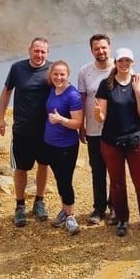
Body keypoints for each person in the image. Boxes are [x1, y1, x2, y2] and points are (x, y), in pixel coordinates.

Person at [93, 48, 140, 237]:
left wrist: (137, 91)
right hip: (111, 141)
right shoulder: (106, 85)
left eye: (128, 61)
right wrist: (97, 114)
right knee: (117, 183)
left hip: (135, 140)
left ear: (132, 62)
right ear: (116, 62)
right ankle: (122, 219)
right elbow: (101, 116)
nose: (124, 64)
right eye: (121, 61)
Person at [0, 37, 52, 226]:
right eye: (36, 51)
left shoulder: (53, 70)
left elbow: (63, 92)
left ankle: (39, 201)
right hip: (22, 129)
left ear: (48, 53)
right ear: (30, 51)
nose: (39, 55)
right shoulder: (17, 68)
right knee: (21, 168)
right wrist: (1, 117)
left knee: (43, 165)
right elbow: (7, 91)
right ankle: (20, 205)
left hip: (46, 130)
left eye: (43, 52)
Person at [77, 34, 114, 225]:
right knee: (97, 169)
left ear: (109, 47)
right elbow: (82, 99)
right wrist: (81, 125)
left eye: (103, 47)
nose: (100, 51)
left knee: (115, 169)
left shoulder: (120, 67)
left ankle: (115, 205)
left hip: (116, 128)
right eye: (96, 48)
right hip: (93, 129)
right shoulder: (85, 71)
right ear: (92, 51)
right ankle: (99, 207)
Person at [43, 60, 83, 234]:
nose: (58, 77)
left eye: (62, 74)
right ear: (51, 75)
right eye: (55, 74)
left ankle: (71, 215)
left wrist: (61, 120)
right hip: (50, 143)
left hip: (66, 146)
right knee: (59, 179)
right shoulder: (53, 89)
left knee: (65, 180)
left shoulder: (72, 95)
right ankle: (64, 209)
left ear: (68, 75)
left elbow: (78, 123)